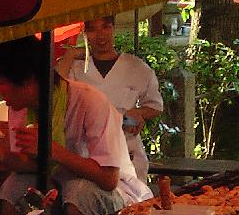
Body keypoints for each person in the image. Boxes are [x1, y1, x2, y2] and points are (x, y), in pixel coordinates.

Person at [0, 35, 149, 215]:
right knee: (13, 187)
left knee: (78, 191)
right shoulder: (21, 107)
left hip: (113, 195)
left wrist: (52, 150)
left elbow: (108, 178)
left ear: (28, 80)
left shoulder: (89, 101)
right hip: (57, 189)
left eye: (0, 81)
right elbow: (31, 166)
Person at [60, 16, 163, 183]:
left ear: (114, 28)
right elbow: (54, 92)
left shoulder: (137, 67)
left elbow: (155, 105)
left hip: (127, 149)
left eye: (106, 27)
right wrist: (70, 55)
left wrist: (137, 113)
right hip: (84, 154)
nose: (100, 35)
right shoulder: (75, 68)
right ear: (85, 34)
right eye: (92, 29)